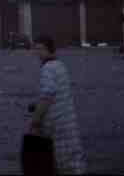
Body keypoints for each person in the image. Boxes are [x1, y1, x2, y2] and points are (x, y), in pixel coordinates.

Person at [29, 35, 86, 175]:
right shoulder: (60, 65)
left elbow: (47, 96)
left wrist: (35, 121)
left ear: (49, 49)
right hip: (67, 121)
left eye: (40, 48)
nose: (37, 52)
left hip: (56, 125)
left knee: (60, 163)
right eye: (35, 48)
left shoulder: (47, 69)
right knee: (71, 160)